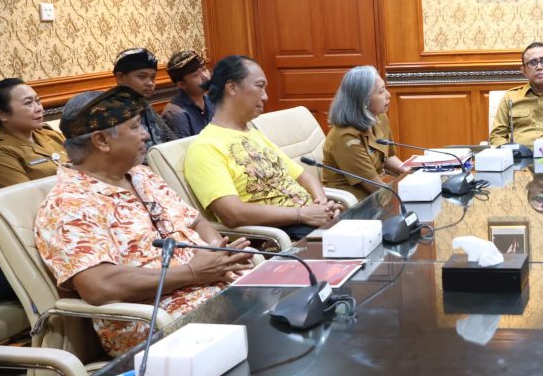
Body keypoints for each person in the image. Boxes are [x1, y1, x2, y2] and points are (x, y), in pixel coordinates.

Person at [34, 87, 253, 356]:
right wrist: (194, 272)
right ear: (102, 141)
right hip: (157, 322)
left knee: (286, 290)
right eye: (135, 127)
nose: (146, 134)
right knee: (267, 323)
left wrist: (219, 255)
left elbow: (195, 221)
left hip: (215, 289)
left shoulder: (141, 175)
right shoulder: (69, 203)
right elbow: (99, 286)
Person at [184, 55, 340, 241]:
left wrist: (321, 206)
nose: (266, 96)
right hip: (281, 237)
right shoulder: (205, 147)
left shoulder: (253, 133)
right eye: (259, 86)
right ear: (232, 87)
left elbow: (303, 176)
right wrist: (302, 214)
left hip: (309, 222)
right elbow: (232, 214)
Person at [321, 66, 409, 200]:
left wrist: (412, 173)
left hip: (382, 191)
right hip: (356, 202)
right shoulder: (345, 137)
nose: (388, 95)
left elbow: (388, 157)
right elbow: (374, 186)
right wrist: (410, 191)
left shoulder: (379, 117)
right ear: (363, 100)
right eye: (381, 91)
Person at [0, 78, 66, 190]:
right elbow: (24, 197)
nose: (39, 108)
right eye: (28, 103)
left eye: (38, 101)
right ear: (2, 114)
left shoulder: (50, 135)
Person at [112, 47, 176, 153]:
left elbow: (172, 141)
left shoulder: (145, 105)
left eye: (153, 77)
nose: (150, 83)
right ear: (120, 78)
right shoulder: (113, 113)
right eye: (142, 77)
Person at [161, 50, 215, 138]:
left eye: (204, 69)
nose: (205, 76)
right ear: (182, 84)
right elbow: (183, 147)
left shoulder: (211, 101)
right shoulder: (175, 114)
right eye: (196, 75)